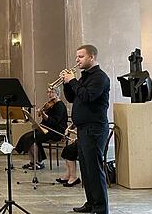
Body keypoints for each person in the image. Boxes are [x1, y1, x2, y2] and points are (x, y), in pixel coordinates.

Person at [63, 44, 110, 214]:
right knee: (86, 168)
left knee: (94, 170)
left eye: (81, 57)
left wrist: (73, 81)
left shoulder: (100, 77)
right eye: (77, 57)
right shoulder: (84, 77)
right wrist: (67, 84)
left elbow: (87, 96)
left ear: (92, 57)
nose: (77, 60)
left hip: (95, 129)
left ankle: (101, 208)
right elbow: (72, 98)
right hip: (84, 129)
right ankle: (91, 203)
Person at [15, 86, 68, 169]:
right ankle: (33, 162)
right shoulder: (50, 104)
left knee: (32, 138)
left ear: (57, 93)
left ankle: (39, 162)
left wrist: (44, 115)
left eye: (52, 92)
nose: (49, 94)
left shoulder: (60, 105)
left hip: (55, 131)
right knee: (26, 137)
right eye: (48, 92)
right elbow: (46, 121)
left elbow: (54, 122)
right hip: (46, 129)